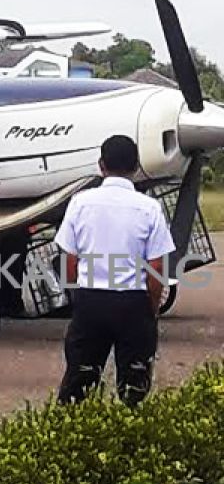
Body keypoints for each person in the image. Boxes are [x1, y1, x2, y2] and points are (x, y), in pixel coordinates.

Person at [54, 135, 175, 406]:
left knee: (79, 380)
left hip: (90, 301)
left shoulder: (80, 203)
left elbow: (69, 258)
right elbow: (157, 268)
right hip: (133, 302)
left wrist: (77, 295)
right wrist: (152, 307)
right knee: (135, 384)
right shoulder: (149, 208)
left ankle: (72, 436)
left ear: (101, 165)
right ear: (135, 167)